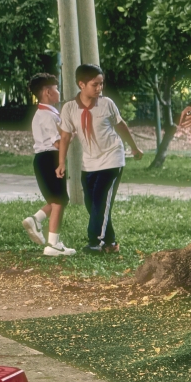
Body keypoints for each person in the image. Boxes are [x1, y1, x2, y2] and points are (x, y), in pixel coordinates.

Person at [58, 64, 143, 253]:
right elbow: (65, 136)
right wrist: (61, 162)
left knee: (100, 201)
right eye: (94, 85)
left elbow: (121, 126)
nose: (99, 88)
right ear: (81, 84)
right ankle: (111, 243)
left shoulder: (107, 104)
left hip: (112, 158)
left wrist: (134, 148)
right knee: (92, 203)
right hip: (89, 163)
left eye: (101, 84)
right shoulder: (70, 108)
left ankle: (95, 242)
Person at [24, 73, 76, 256]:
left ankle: (36, 220)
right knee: (59, 201)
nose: (58, 92)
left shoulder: (46, 113)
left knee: (58, 200)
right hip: (51, 158)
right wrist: (70, 135)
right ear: (47, 92)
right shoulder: (48, 116)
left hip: (44, 158)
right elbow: (57, 142)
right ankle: (53, 244)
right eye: (56, 88)